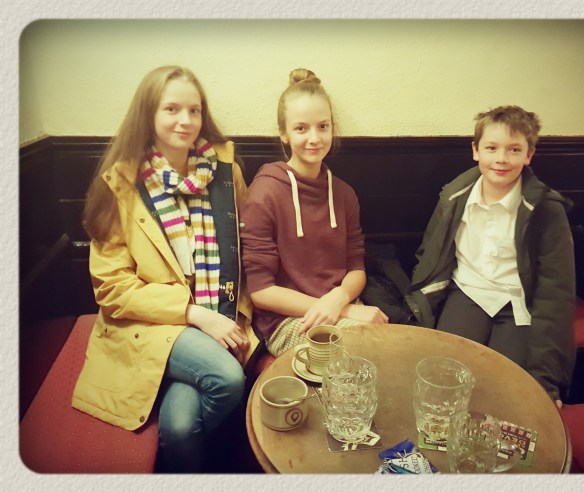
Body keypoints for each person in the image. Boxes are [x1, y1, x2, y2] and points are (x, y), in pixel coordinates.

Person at [71, 65, 254, 473]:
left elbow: (249, 242)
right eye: (171, 109)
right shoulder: (120, 186)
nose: (185, 120)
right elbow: (113, 289)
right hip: (151, 326)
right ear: (148, 114)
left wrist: (239, 309)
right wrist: (194, 314)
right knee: (227, 378)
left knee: (181, 427)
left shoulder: (226, 172)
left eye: (194, 110)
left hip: (221, 312)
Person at [406, 105, 576, 408]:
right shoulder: (454, 196)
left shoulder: (547, 211)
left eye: (514, 150)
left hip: (517, 302)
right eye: (491, 148)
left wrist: (545, 381)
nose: (501, 158)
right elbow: (429, 253)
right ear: (476, 151)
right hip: (467, 291)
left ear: (529, 155)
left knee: (507, 389)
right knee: (445, 379)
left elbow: (556, 292)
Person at [240, 68, 388, 356]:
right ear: (283, 134)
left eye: (323, 126)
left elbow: (356, 267)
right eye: (301, 128)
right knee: (355, 352)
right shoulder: (264, 193)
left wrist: (340, 299)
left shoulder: (344, 194)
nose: (314, 138)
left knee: (387, 349)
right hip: (287, 320)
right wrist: (340, 309)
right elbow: (261, 292)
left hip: (342, 306)